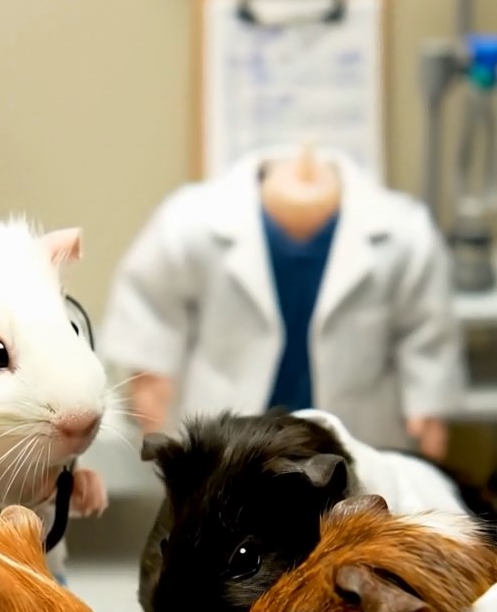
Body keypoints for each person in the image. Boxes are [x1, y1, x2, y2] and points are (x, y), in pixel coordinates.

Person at [99, 144, 464, 458]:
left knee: (346, 520)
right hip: (225, 432)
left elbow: (426, 333)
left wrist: (428, 413)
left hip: (361, 432)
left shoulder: (403, 233)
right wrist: (149, 384)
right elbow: (151, 309)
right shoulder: (189, 222)